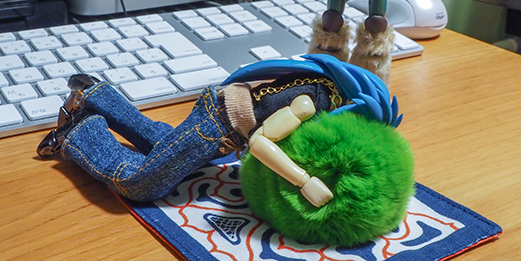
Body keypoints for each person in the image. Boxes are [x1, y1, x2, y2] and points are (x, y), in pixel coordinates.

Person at [37, 54, 401, 204]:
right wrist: (304, 180)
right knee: (142, 183)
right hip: (220, 124)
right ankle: (79, 131)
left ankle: (94, 94)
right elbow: (261, 143)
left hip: (221, 119)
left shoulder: (326, 92)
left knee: (165, 146)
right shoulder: (311, 103)